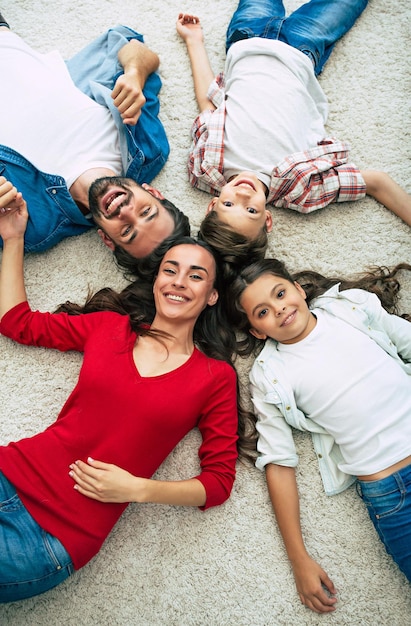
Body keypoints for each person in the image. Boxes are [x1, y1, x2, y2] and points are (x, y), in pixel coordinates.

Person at [0, 193, 255, 602]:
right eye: (170, 270)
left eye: (195, 275)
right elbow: (17, 323)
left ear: (211, 295)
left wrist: (138, 488)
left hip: (56, 537)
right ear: (156, 281)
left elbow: (218, 483)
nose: (177, 281)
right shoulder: (109, 329)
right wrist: (13, 238)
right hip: (10, 473)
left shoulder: (215, 378)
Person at [228, 257, 411, 613]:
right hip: (392, 494)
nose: (279, 309)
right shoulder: (270, 375)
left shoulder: (351, 307)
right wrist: (299, 559)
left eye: (280, 293)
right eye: (262, 312)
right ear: (256, 331)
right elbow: (278, 463)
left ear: (299, 289)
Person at [176, 1, 411, 257]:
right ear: (267, 219)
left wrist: (194, 41)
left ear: (212, 205)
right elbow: (376, 182)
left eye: (229, 203)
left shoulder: (205, 169)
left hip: (246, 40)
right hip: (302, 49)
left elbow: (208, 103)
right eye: (251, 210)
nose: (243, 194)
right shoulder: (301, 192)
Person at [0, 13, 190, 266]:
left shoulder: (32, 226)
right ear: (153, 192)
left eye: (127, 232)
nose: (126, 212)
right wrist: (134, 74)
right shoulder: (146, 147)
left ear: (107, 239)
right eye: (146, 212)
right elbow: (132, 45)